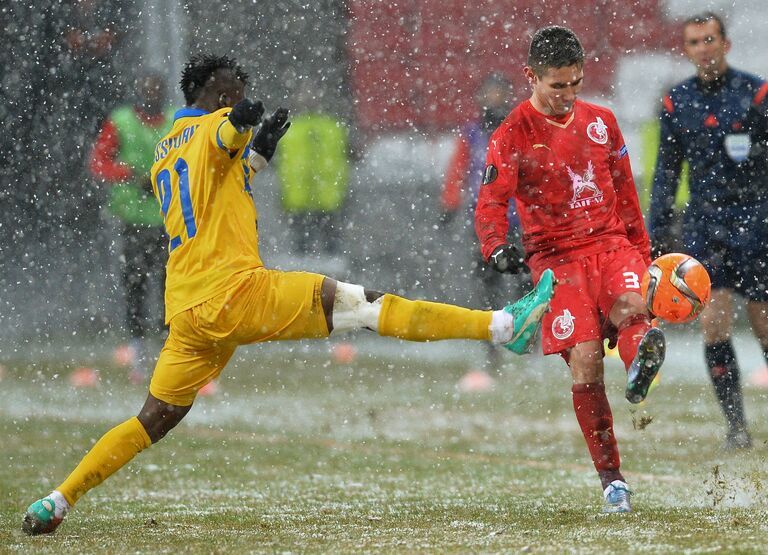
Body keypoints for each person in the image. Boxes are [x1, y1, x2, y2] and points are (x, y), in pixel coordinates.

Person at [22, 53, 556, 536]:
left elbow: (216, 180)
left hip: (187, 308)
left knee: (151, 419)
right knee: (365, 307)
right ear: (215, 89)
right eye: (233, 85)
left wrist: (259, 153)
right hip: (236, 291)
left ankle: (58, 499)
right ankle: (502, 327)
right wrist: (240, 120)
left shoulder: (166, 146)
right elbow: (224, 135)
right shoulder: (212, 125)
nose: (239, 91)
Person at [475, 26, 665, 514]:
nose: (567, 96)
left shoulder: (602, 121)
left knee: (631, 307)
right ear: (531, 77)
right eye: (557, 86)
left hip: (610, 244)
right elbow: (492, 202)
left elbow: (625, 192)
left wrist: (642, 255)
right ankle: (612, 480)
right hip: (555, 259)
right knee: (584, 360)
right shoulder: (511, 134)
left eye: (575, 84)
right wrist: (496, 247)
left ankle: (640, 358)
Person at [649, 11, 768, 451]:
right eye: (695, 42)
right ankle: (736, 427)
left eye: (710, 39)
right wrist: (656, 229)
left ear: (725, 43)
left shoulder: (757, 95)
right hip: (706, 225)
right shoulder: (676, 102)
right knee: (714, 326)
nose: (703, 48)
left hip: (757, 222)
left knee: (763, 326)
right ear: (687, 49)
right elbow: (666, 171)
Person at [90, 72, 173, 382]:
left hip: (168, 219)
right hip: (133, 219)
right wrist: (130, 175)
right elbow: (99, 163)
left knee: (170, 287)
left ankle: (169, 352)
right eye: (147, 89)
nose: (151, 95)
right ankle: (139, 356)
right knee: (135, 285)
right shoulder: (121, 121)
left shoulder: (175, 122)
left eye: (157, 89)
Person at [441, 73, 527, 370]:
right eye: (489, 93)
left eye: (499, 93)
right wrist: (450, 204)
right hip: (486, 223)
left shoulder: (518, 130)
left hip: (518, 221)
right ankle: (491, 342)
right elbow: (458, 171)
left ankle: (524, 338)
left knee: (523, 283)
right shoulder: (472, 134)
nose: (494, 99)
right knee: (488, 283)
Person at [276, 80, 349, 255]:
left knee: (331, 253)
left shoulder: (333, 127)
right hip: (298, 200)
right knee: (301, 253)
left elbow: (343, 161)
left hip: (329, 200)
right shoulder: (289, 128)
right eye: (304, 95)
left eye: (313, 94)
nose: (309, 99)